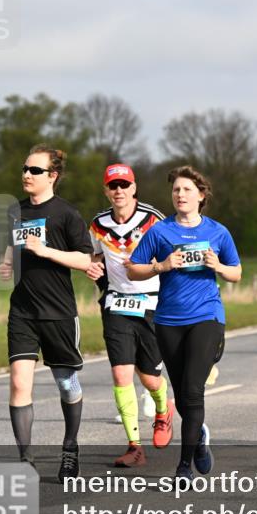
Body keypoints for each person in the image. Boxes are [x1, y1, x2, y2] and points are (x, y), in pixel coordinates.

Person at [127, 166, 241, 481]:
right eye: (176, 190)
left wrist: (218, 265)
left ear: (201, 196)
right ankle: (199, 438)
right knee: (181, 393)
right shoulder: (160, 232)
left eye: (187, 190)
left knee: (192, 391)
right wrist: (161, 266)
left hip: (206, 316)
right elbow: (133, 269)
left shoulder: (217, 232)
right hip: (168, 321)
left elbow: (236, 272)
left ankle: (183, 465)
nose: (180, 195)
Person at [0, 145, 94, 482]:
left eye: (34, 170)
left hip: (58, 313)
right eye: (24, 168)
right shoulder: (16, 211)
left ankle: (70, 448)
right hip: (22, 311)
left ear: (52, 176)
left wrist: (47, 251)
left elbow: (86, 260)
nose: (26, 174)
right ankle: (25, 460)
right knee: (18, 382)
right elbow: (14, 241)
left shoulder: (67, 214)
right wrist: (8, 261)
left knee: (66, 384)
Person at [86, 164, 175, 468]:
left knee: (149, 378)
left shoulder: (153, 219)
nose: (119, 191)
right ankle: (134, 446)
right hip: (115, 305)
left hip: (151, 304)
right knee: (121, 374)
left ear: (134, 188)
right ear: (106, 191)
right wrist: (93, 266)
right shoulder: (97, 224)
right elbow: (94, 255)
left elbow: (172, 253)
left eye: (124, 185)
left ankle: (164, 410)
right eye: (113, 186)